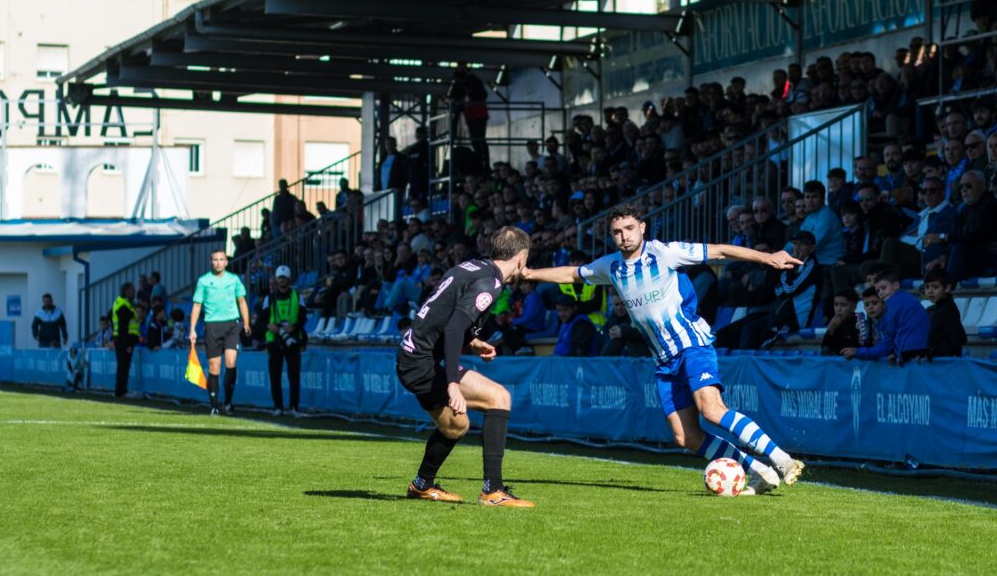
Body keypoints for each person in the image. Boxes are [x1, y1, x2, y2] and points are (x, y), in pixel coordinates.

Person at [523, 203, 805, 495]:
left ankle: (781, 459)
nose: (624, 236)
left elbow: (719, 250)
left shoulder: (664, 252)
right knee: (686, 436)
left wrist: (767, 257)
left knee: (712, 410)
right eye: (617, 232)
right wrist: (530, 275)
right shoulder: (612, 266)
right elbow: (572, 274)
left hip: (691, 344)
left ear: (642, 227)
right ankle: (758, 470)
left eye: (629, 229)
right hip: (663, 360)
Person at [396, 226, 536, 507]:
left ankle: (422, 485)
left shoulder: (472, 267)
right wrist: (452, 384)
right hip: (422, 362)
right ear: (521, 258)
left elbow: (444, 312)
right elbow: (453, 328)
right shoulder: (491, 284)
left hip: (411, 357)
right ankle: (492, 491)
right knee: (499, 397)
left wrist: (473, 341)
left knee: (456, 426)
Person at [190, 250, 251, 416]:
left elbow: (242, 301)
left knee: (231, 362)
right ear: (211, 262)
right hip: (212, 326)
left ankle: (228, 404)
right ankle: (215, 406)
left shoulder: (234, 279)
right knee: (214, 367)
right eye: (215, 260)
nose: (218, 263)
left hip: (232, 325)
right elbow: (197, 305)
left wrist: (246, 322)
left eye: (221, 260)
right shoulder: (204, 281)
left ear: (226, 262)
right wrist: (192, 329)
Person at [841, 269, 929, 364]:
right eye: (878, 291)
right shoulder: (907, 298)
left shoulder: (893, 301)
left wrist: (857, 351)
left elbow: (887, 345)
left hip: (912, 353)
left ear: (896, 285)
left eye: (883, 288)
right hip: (919, 350)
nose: (881, 293)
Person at [262, 265, 307, 416]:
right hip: (274, 340)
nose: (282, 280)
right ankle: (278, 407)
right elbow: (262, 320)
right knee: (275, 375)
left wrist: (292, 328)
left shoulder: (297, 296)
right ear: (276, 279)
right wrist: (270, 327)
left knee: (294, 376)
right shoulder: (269, 298)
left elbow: (303, 317)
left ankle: (294, 407)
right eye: (279, 277)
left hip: (293, 339)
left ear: (289, 279)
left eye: (284, 277)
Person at [922, 269, 967, 359]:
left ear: (947, 288)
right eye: (927, 287)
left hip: (946, 365)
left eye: (935, 287)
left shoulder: (948, 310)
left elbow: (959, 338)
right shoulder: (937, 309)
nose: (930, 291)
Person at [111, 282, 139, 397]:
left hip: (120, 340)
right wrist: (127, 343)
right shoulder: (124, 305)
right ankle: (121, 391)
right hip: (124, 341)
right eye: (133, 290)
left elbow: (111, 317)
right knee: (124, 366)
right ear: (127, 291)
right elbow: (123, 326)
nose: (134, 293)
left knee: (122, 365)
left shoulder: (120, 302)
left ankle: (121, 390)